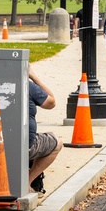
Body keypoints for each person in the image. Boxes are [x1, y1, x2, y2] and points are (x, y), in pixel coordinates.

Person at [27, 65, 62, 193]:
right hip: (24, 146)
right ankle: (27, 182)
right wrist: (34, 78)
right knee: (56, 142)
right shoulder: (27, 86)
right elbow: (51, 103)